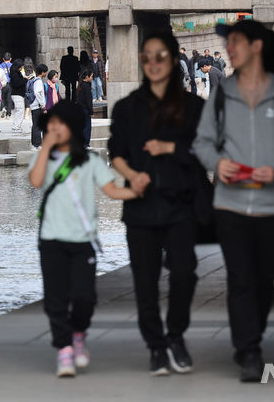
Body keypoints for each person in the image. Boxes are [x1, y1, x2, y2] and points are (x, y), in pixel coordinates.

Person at [193, 20, 274, 382]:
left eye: (237, 42)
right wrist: (218, 164)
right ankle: (248, 349)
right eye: (228, 43)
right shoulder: (221, 94)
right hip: (230, 204)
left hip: (272, 205)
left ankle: (252, 337)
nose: (229, 48)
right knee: (240, 278)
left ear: (257, 47)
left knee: (264, 278)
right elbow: (202, 144)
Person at [108, 29, 207, 376]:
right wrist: (131, 175)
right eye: (146, 56)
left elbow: (209, 151)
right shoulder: (127, 108)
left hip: (182, 204)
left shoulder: (195, 108)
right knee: (144, 281)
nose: (153, 62)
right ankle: (156, 346)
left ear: (174, 58)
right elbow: (116, 153)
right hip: (141, 206)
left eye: (160, 55)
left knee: (185, 272)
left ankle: (176, 335)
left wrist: (172, 149)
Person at [28, 100, 138, 378]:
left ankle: (78, 334)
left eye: (60, 124)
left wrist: (139, 192)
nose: (54, 129)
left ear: (73, 128)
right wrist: (45, 147)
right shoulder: (44, 158)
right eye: (50, 124)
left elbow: (112, 190)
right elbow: (36, 181)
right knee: (55, 298)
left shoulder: (90, 161)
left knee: (84, 296)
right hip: (51, 239)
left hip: (82, 241)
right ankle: (64, 348)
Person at [28, 64, 48, 150]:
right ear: (43, 72)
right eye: (46, 72)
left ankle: (34, 144)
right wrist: (42, 105)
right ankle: (37, 144)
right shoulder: (39, 81)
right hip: (37, 106)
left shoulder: (34, 80)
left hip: (34, 105)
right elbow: (37, 93)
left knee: (35, 125)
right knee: (37, 125)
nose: (46, 73)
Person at [9, 59, 27, 132]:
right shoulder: (14, 74)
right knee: (20, 111)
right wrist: (25, 80)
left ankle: (16, 126)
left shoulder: (16, 73)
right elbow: (17, 84)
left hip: (18, 94)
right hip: (17, 94)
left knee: (18, 111)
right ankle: (16, 127)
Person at [76, 70, 93, 147]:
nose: (92, 78)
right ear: (87, 77)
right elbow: (88, 100)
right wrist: (91, 112)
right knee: (87, 127)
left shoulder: (81, 85)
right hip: (85, 109)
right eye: (91, 76)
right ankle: (86, 143)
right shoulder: (86, 86)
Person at [0, 53, 13, 117]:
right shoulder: (12, 65)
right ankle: (9, 113)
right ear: (10, 59)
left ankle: (3, 108)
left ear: (3, 59)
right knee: (9, 99)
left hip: (3, 83)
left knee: (2, 98)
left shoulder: (0, 66)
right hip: (10, 84)